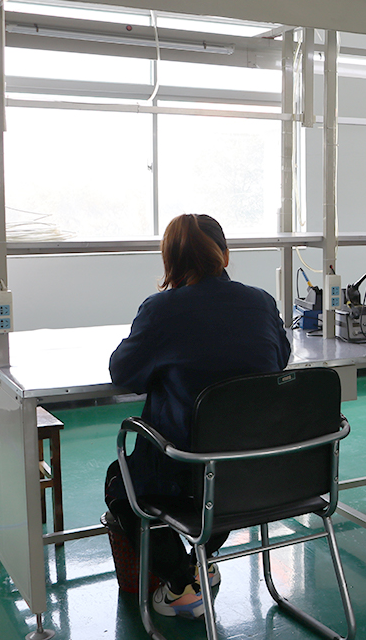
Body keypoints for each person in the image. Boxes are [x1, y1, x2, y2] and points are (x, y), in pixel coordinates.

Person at [104, 214, 290, 619]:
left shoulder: (161, 310)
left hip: (185, 472)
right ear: (225, 255)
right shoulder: (261, 302)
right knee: (220, 471)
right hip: (256, 471)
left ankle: (180, 579)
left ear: (169, 261)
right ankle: (202, 560)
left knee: (121, 482)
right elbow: (280, 360)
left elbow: (123, 373)